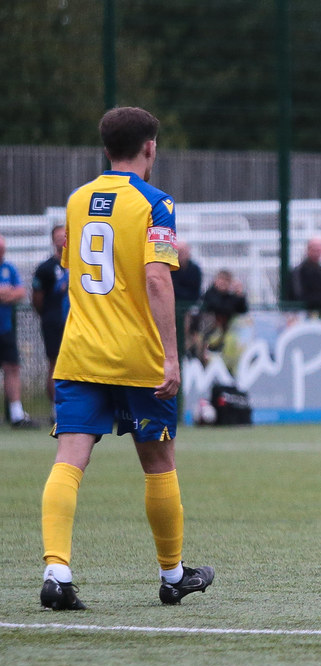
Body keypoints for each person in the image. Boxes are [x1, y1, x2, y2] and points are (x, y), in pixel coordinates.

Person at [39, 106, 213, 610]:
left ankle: (57, 571)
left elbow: (76, 267)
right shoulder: (156, 202)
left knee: (69, 458)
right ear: (150, 147)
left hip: (80, 353)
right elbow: (158, 278)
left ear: (105, 147)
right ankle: (173, 574)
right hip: (138, 357)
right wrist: (173, 358)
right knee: (158, 463)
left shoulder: (76, 201)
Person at [32, 225, 70, 420]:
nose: (61, 240)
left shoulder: (80, 264)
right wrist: (49, 316)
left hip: (78, 323)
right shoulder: (45, 268)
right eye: (57, 237)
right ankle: (56, 410)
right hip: (54, 323)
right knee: (55, 363)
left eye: (64, 236)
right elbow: (37, 298)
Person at [1, 234, 37, 428]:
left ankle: (16, 414)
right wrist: (5, 292)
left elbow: (21, 292)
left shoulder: (9, 268)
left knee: (12, 368)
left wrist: (8, 293)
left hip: (5, 330)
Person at [198, 269, 249, 351]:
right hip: (209, 333)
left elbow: (243, 310)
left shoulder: (231, 297)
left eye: (227, 280)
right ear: (216, 280)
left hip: (226, 333)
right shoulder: (210, 294)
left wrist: (240, 295)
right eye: (222, 279)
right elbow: (220, 307)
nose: (223, 283)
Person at [170, 240, 203, 306]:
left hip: (191, 304)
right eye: (179, 252)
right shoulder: (171, 269)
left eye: (183, 252)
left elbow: (196, 290)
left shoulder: (195, 269)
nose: (180, 255)